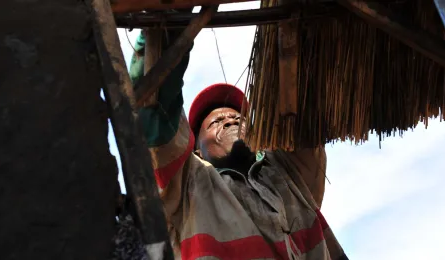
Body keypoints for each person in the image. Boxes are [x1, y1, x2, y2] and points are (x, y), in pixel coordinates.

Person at [115, 28, 348, 260]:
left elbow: (300, 100)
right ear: (197, 151)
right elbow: (158, 116)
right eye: (216, 122)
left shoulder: (289, 173)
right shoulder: (190, 186)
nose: (231, 120)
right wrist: (165, 31)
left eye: (239, 117)